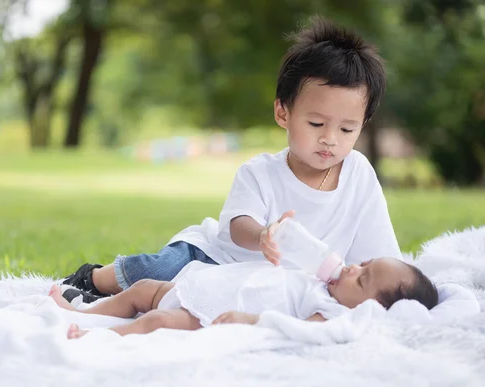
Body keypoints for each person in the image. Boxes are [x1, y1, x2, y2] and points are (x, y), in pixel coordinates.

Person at [60, 16, 402, 303]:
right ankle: (96, 279)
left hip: (274, 284)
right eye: (316, 123)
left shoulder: (358, 175)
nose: (330, 138)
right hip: (218, 259)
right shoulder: (261, 172)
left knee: (180, 301)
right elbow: (238, 226)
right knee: (157, 272)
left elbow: (381, 252)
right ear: (283, 112)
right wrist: (263, 236)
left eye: (346, 129)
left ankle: (133, 299)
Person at [50, 258, 439, 338]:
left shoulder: (332, 311)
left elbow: (297, 328)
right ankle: (87, 312)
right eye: (362, 263)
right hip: (202, 288)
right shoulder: (325, 279)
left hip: (209, 313)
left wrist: (250, 320)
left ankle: (99, 337)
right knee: (141, 291)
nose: (351, 269)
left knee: (155, 321)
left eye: (363, 278)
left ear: (369, 307)